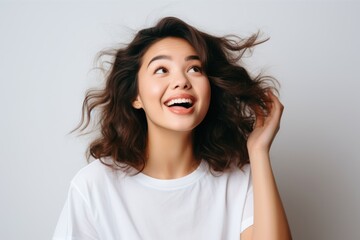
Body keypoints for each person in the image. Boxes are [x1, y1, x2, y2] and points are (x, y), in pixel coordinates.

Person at [53, 17, 292, 240]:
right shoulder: (94, 186)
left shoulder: (240, 180)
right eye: (161, 70)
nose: (182, 81)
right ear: (135, 95)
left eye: (194, 69)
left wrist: (259, 151)